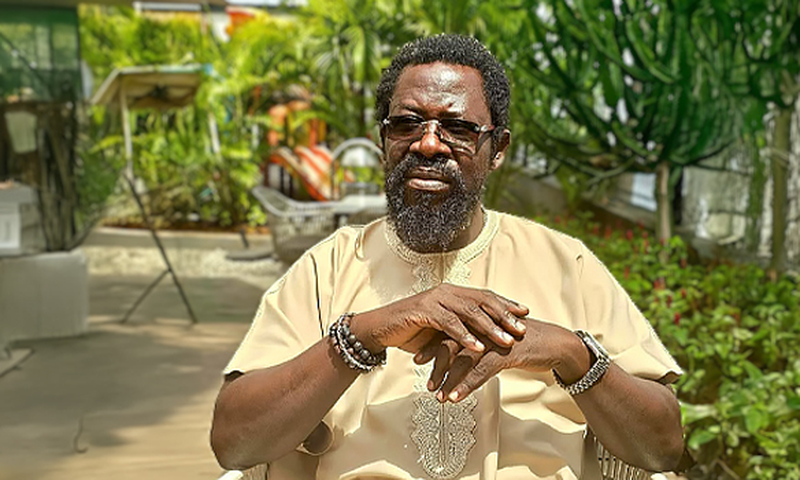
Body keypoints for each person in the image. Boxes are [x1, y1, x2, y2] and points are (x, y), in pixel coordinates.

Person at [211, 34, 685, 480]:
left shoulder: (566, 264)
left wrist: (570, 353)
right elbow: (235, 444)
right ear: (383, 141)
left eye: (457, 128)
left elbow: (661, 448)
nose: (428, 144)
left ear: (497, 149)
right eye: (407, 124)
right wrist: (364, 335)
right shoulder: (330, 268)